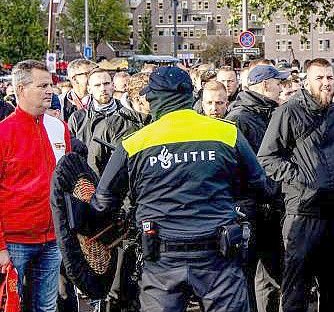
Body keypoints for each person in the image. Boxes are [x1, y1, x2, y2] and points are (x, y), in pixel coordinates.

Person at [86, 66, 274, 312]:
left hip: (161, 259)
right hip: (219, 258)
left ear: (157, 98)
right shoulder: (227, 133)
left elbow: (103, 200)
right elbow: (261, 186)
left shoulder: (134, 144)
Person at [258, 58, 334, 312]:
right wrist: (301, 178)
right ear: (307, 81)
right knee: (296, 287)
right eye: (319, 78)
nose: (326, 83)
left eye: (329, 78)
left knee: (333, 286)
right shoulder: (288, 112)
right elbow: (267, 157)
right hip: (302, 212)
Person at [0, 60, 70, 312]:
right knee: (11, 306)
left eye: (50, 85)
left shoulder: (60, 128)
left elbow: (67, 183)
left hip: (52, 240)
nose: (50, 90)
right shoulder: (4, 133)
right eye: (42, 86)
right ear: (20, 89)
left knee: (46, 307)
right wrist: (0, 247)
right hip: (15, 241)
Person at [226, 65, 288, 312]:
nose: (281, 87)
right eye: (277, 83)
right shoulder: (239, 118)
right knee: (248, 274)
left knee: (271, 273)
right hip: (250, 208)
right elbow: (236, 166)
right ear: (265, 85)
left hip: (271, 205)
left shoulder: (271, 113)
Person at [87, 72, 152, 175]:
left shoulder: (162, 120)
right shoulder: (109, 125)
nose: (160, 99)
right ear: (138, 99)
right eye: (153, 96)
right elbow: (94, 165)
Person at [68, 68, 122, 147]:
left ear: (113, 86)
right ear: (89, 89)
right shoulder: (77, 118)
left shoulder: (127, 112)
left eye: (106, 83)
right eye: (97, 85)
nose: (103, 89)